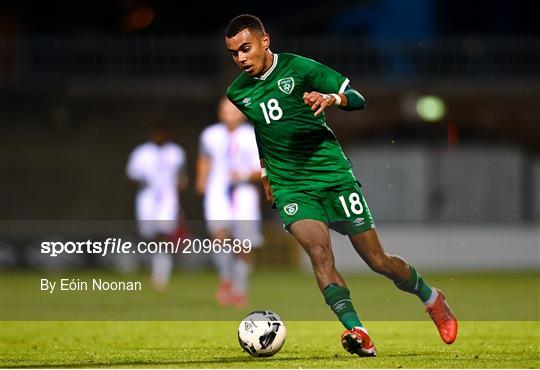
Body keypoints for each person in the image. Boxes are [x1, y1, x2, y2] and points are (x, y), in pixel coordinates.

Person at [224, 14, 457, 357]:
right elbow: (264, 128)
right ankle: (358, 331)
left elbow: (357, 97)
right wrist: (265, 172)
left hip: (333, 176)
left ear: (264, 41)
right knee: (320, 256)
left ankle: (432, 298)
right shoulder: (237, 91)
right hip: (292, 185)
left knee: (377, 260)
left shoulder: (300, 68)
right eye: (233, 53)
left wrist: (332, 99)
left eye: (245, 48)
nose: (241, 58)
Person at [196, 97, 263, 309]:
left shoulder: (253, 135)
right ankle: (225, 280)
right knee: (220, 236)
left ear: (242, 113)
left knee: (244, 244)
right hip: (218, 193)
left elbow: (262, 169)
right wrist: (201, 180)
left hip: (244, 194)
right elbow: (204, 159)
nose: (230, 115)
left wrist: (242, 174)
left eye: (234, 111)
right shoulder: (211, 134)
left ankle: (240, 289)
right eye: (226, 110)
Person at [126, 120, 187, 291]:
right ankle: (151, 268)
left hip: (168, 200)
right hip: (147, 199)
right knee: (149, 236)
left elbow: (181, 177)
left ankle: (161, 274)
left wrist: (179, 197)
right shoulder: (141, 153)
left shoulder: (176, 152)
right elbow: (131, 175)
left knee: (163, 235)